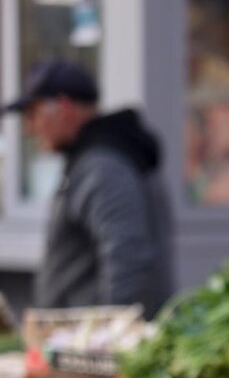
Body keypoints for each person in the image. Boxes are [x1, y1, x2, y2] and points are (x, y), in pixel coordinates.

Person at [5, 59, 173, 318]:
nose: (29, 128)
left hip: (94, 350)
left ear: (63, 107)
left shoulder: (104, 167)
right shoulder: (94, 159)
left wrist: (109, 342)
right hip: (77, 345)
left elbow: (128, 259)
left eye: (33, 114)